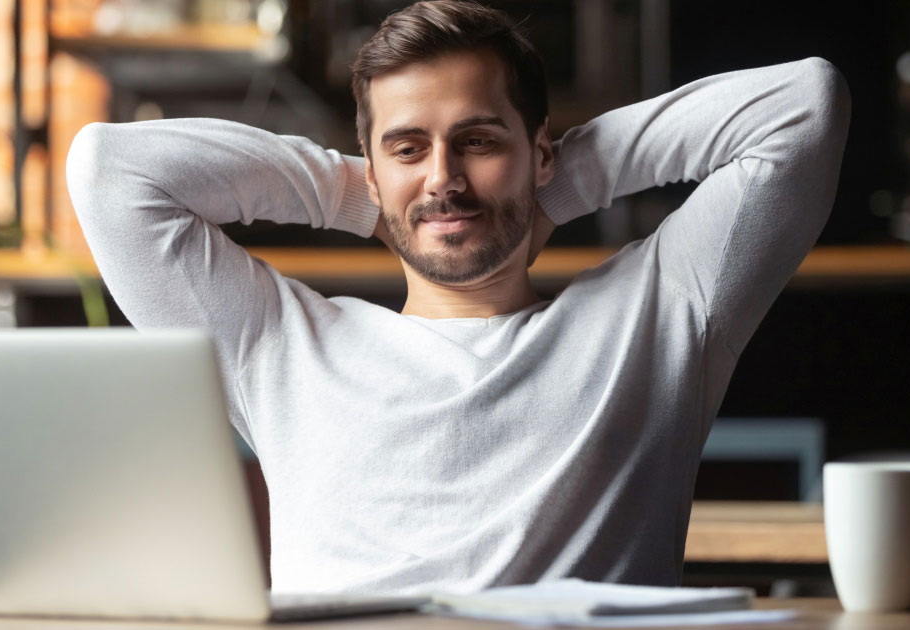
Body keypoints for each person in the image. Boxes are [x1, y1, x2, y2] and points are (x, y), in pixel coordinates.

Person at [66, 0, 850, 596]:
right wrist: (359, 194)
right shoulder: (275, 344)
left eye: (478, 141)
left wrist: (553, 187)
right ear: (372, 169)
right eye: (409, 148)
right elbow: (111, 175)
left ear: (538, 149)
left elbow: (804, 109)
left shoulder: (659, 312)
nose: (443, 176)